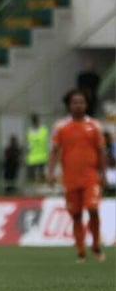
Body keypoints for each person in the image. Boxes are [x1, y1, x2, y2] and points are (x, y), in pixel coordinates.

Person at [47, 89, 106, 262]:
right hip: (70, 178)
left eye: (81, 102)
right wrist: (50, 173)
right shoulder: (60, 127)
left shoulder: (94, 126)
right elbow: (54, 151)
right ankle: (81, 251)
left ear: (86, 105)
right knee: (76, 215)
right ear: (69, 105)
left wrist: (103, 173)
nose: (78, 105)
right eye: (75, 102)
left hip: (90, 177)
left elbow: (101, 151)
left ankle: (96, 245)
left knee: (93, 210)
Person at [25, 114, 49, 183]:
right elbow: (29, 145)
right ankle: (33, 186)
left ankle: (40, 185)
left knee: (41, 176)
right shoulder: (30, 131)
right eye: (34, 121)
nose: (35, 123)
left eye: (36, 121)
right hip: (33, 158)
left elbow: (48, 143)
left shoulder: (44, 130)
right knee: (31, 178)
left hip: (42, 157)